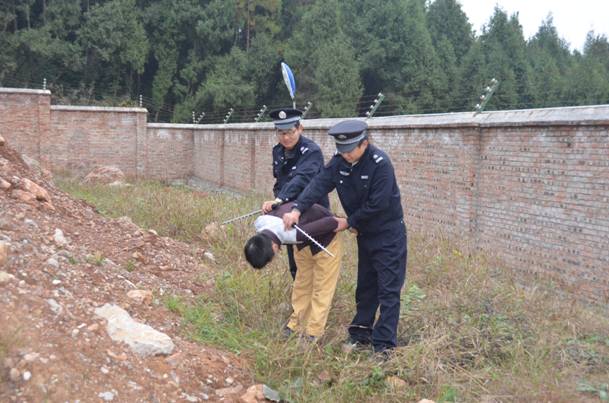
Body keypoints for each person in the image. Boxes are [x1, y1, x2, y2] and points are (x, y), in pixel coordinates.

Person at [282, 119, 407, 355]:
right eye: (342, 150)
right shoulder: (339, 162)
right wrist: (297, 208)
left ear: (364, 144)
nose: (346, 155)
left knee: (388, 289)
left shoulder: (380, 164)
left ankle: (384, 345)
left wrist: (348, 222)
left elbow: (378, 204)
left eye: (350, 150)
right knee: (366, 286)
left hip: (388, 233)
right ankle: (360, 334)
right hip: (364, 234)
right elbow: (318, 184)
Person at [244, 202, 342, 341]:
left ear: (273, 246)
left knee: (322, 288)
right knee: (302, 285)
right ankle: (296, 325)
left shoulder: (294, 232)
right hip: (303, 246)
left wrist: (350, 222)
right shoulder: (262, 224)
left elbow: (331, 222)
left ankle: (313, 332)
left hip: (325, 244)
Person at [261, 108, 329, 280]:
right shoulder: (278, 151)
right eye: (281, 133)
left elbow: (301, 179)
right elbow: (280, 181)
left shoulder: (311, 151)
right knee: (295, 260)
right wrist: (276, 207)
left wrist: (279, 199)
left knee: (314, 261)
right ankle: (297, 292)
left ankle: (316, 297)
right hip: (289, 214)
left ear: (300, 129)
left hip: (312, 212)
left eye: (290, 132)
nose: (286, 137)